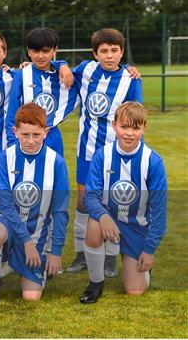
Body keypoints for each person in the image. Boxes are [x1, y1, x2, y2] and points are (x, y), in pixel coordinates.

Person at [67, 28, 143, 278]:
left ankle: (110, 257)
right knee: (83, 203)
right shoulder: (87, 69)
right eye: (104, 51)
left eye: (114, 50)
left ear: (121, 52)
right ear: (95, 54)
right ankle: (81, 254)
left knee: (112, 204)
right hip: (87, 152)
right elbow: (57, 67)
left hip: (116, 154)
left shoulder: (131, 79)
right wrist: (61, 65)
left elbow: (135, 115)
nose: (109, 55)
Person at [0, 103, 70, 304]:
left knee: (31, 297)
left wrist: (55, 252)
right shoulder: (4, 158)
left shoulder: (56, 162)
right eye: (25, 134)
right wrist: (25, 242)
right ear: (15, 132)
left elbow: (60, 210)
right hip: (9, 223)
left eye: (36, 134)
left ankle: (27, 263)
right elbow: (4, 204)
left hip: (37, 232)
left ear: (46, 132)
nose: (31, 140)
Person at [79, 102, 167, 303]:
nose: (129, 133)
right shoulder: (102, 155)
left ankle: (140, 264)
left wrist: (149, 249)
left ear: (144, 127)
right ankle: (95, 283)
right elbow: (90, 197)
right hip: (109, 219)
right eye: (124, 126)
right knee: (93, 227)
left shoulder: (152, 161)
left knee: (134, 291)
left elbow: (160, 212)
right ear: (114, 125)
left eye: (135, 128)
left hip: (137, 227)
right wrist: (103, 216)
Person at [6, 27, 78, 156]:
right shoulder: (21, 75)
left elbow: (101, 69)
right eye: (35, 51)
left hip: (52, 137)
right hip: (26, 138)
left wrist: (62, 64)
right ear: (29, 51)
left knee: (54, 175)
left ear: (55, 50)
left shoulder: (64, 75)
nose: (40, 56)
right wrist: (12, 144)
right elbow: (12, 114)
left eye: (45, 51)